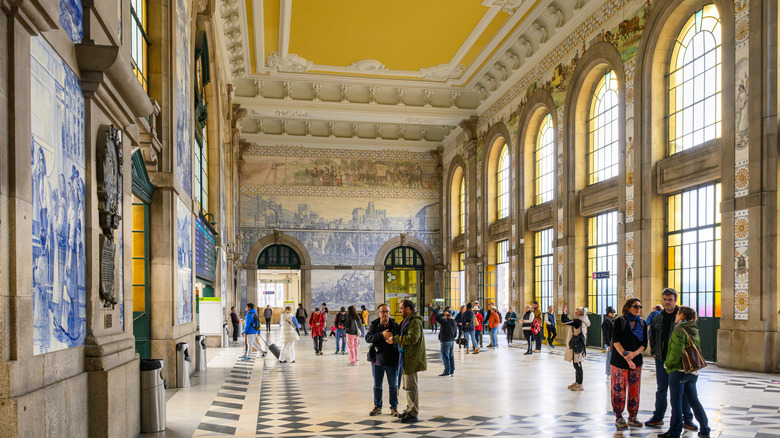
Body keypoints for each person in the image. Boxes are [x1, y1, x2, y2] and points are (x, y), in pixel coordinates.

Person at [646, 288, 696, 431]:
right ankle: (658, 417)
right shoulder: (657, 317)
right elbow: (652, 335)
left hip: (679, 361)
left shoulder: (683, 316)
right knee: (661, 389)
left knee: (683, 390)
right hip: (661, 359)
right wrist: (654, 351)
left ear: (675, 300)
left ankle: (687, 419)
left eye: (670, 300)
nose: (667, 303)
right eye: (665, 300)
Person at [658, 306, 711, 438]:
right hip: (692, 371)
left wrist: (667, 364)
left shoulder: (679, 329)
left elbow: (676, 351)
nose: (676, 316)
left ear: (681, 315)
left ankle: (674, 432)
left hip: (678, 370)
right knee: (694, 401)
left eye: (677, 314)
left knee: (676, 402)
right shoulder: (694, 328)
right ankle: (705, 429)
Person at [383, 299, 426, 424]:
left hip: (412, 358)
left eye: (401, 308)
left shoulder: (415, 322)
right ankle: (409, 409)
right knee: (407, 386)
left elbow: (413, 338)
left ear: (408, 309)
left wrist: (395, 339)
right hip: (406, 358)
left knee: (411, 387)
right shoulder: (407, 321)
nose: (400, 311)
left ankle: (413, 413)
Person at [610, 299, 648, 429]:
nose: (638, 309)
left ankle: (633, 416)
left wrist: (635, 354)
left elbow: (644, 344)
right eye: (635, 306)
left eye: (640, 306)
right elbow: (616, 342)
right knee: (618, 389)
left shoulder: (642, 323)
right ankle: (619, 416)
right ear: (628, 307)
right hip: (619, 361)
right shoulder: (619, 321)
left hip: (636, 361)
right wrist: (628, 357)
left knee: (634, 390)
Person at [365, 303, 401, 417]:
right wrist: (382, 334)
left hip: (391, 360)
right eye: (383, 311)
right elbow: (368, 338)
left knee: (393, 385)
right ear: (378, 313)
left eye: (387, 311)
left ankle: (394, 407)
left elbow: (400, 338)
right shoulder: (374, 325)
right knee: (377, 385)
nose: (385, 314)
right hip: (377, 360)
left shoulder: (395, 325)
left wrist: (393, 339)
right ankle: (377, 406)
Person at [561, 306, 590, 390]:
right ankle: (577, 382)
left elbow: (565, 321)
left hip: (578, 345)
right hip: (577, 344)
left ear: (581, 313)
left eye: (578, 311)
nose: (576, 311)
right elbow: (568, 321)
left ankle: (580, 384)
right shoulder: (579, 320)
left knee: (577, 364)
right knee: (576, 363)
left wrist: (564, 313)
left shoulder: (579, 321)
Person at [435, 309, 457, 376]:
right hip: (451, 341)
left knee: (445, 356)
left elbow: (437, 317)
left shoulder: (445, 321)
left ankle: (447, 371)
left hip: (445, 341)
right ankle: (451, 370)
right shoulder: (454, 322)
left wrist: (442, 314)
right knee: (451, 356)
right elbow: (455, 334)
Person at [602, 306, 617, 376]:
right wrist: (608, 345)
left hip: (614, 342)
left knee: (613, 357)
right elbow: (606, 335)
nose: (613, 314)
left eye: (614, 312)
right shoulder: (606, 322)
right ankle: (608, 372)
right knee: (609, 358)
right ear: (608, 313)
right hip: (608, 343)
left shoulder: (614, 321)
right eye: (612, 312)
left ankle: (613, 371)